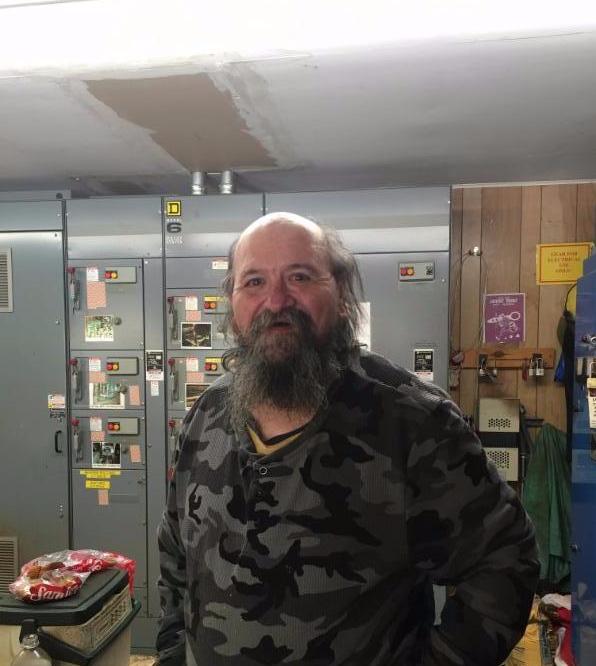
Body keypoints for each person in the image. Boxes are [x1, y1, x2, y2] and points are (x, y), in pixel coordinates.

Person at [156, 212, 539, 665]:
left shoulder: (412, 422)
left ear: (340, 295)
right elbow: (175, 553)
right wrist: (173, 654)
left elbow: (504, 559)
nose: (276, 300)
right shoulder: (206, 416)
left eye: (299, 276)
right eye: (254, 282)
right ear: (233, 305)